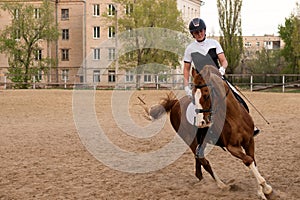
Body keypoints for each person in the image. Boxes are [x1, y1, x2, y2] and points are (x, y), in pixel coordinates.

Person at [183, 17, 259, 136]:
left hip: (217, 79)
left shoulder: (214, 43)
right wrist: (186, 86)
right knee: (196, 107)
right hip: (201, 83)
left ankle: (250, 124)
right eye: (196, 32)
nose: (199, 34)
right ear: (192, 34)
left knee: (237, 97)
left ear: (204, 30)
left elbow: (223, 61)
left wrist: (222, 69)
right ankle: (200, 141)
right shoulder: (190, 49)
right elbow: (186, 68)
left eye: (201, 31)